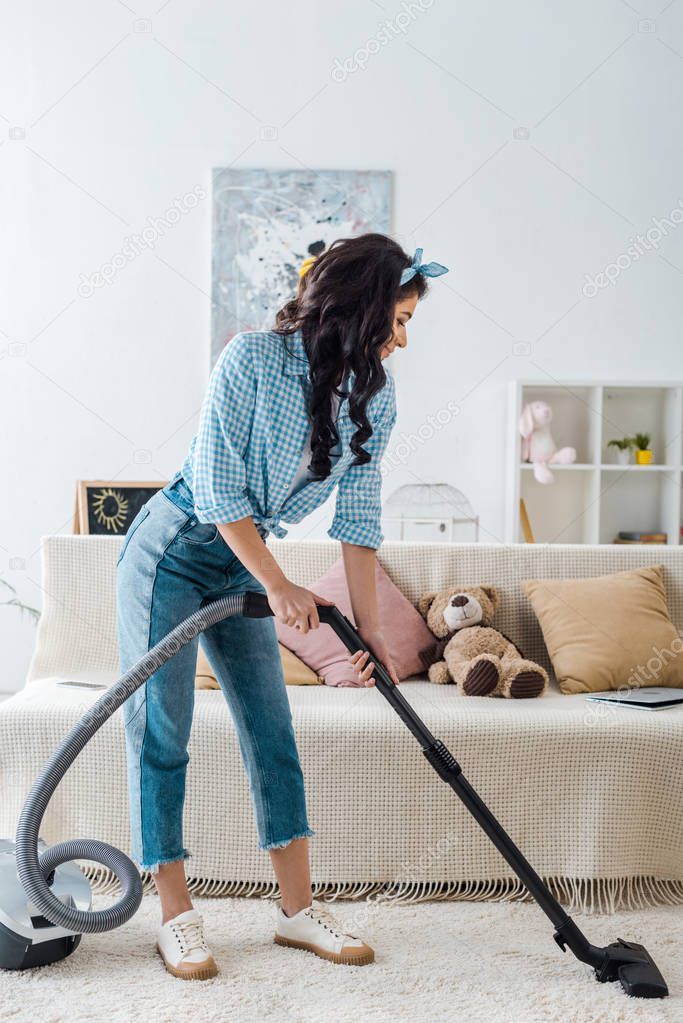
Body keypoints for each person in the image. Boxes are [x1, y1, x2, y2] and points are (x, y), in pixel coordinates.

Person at [115, 233, 448, 979]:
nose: (401, 338)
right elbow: (217, 490)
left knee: (271, 728)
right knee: (163, 732)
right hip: (172, 550)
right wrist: (274, 582)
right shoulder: (249, 359)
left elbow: (357, 520)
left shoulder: (375, 396)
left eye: (408, 323)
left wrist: (367, 633)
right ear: (359, 308)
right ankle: (175, 916)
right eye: (395, 319)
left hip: (242, 559)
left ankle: (297, 911)